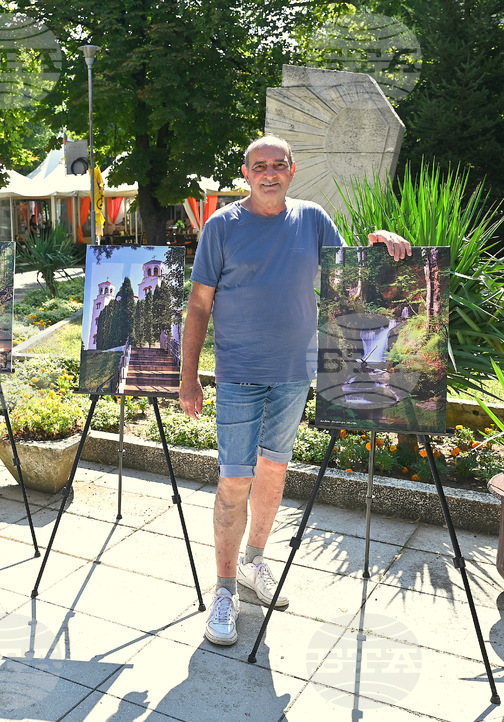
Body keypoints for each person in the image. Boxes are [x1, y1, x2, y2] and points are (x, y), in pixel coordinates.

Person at [178, 135, 411, 647]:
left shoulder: (312, 219)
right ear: (245, 173)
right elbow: (198, 306)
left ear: (291, 169)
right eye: (259, 166)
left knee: (275, 470)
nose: (269, 173)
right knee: (234, 480)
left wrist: (380, 239)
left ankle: (254, 563)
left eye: (278, 165)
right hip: (238, 373)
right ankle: (222, 590)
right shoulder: (222, 226)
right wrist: (189, 376)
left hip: (294, 372)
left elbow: (348, 272)